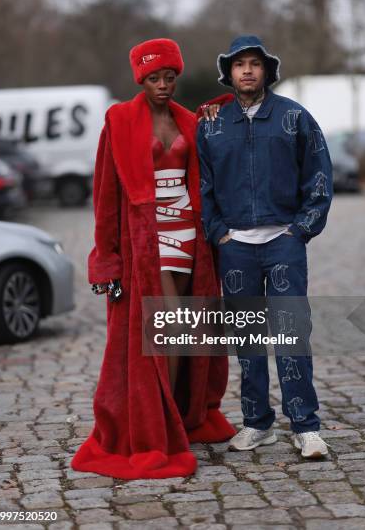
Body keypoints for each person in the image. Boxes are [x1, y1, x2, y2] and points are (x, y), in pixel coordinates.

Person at [71, 38, 235, 480]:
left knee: (183, 328)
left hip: (187, 235)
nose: (163, 85)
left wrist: (218, 119)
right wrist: (106, 259)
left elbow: (214, 170)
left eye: (170, 77)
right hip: (145, 241)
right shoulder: (119, 121)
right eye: (154, 78)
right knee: (163, 328)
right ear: (140, 78)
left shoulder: (190, 121)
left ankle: (178, 416)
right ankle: (156, 425)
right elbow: (105, 197)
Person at [196, 35, 333, 458]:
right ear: (230, 74)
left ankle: (305, 426)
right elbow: (201, 185)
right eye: (240, 65)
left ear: (267, 70)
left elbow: (319, 176)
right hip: (235, 246)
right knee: (248, 338)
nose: (248, 71)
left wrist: (301, 229)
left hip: (283, 243)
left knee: (293, 335)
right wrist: (218, 231)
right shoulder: (212, 124)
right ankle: (257, 423)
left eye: (255, 63)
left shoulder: (294, 118)